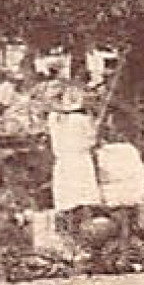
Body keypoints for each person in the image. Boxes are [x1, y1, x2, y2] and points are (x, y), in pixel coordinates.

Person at [48, 84, 102, 232]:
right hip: (80, 161)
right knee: (83, 202)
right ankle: (87, 235)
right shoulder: (81, 119)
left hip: (62, 163)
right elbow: (92, 141)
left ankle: (69, 236)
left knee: (67, 203)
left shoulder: (53, 118)